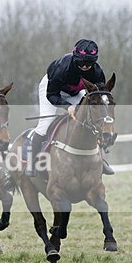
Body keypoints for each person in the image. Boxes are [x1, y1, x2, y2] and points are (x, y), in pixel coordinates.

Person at [28, 38, 114, 175]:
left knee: (90, 119)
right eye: (81, 63)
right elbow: (51, 95)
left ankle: (101, 160)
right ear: (75, 59)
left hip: (74, 92)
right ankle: (32, 163)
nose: (85, 67)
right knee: (45, 124)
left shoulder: (97, 72)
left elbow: (98, 96)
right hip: (51, 90)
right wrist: (67, 106)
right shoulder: (61, 69)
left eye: (88, 64)